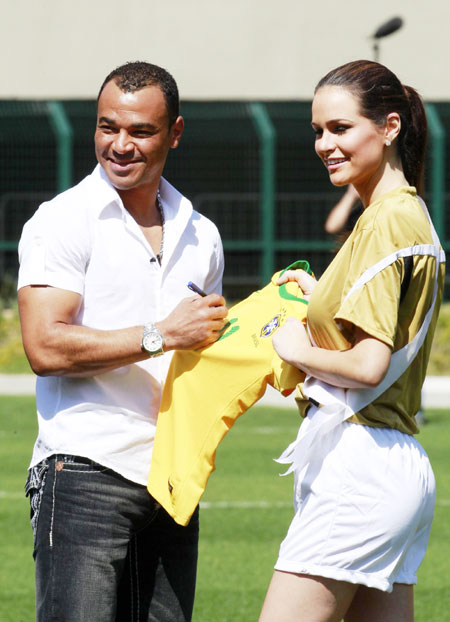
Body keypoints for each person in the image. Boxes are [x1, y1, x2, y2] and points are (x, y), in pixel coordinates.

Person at [17, 61, 228, 622]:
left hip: (174, 478)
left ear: (175, 133)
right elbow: (45, 346)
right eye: (108, 127)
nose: (120, 145)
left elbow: (202, 352)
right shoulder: (62, 220)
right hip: (85, 469)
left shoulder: (201, 233)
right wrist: (162, 334)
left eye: (140, 131)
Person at [259, 60, 445, 622]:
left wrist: (294, 346)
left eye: (340, 128)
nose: (325, 144)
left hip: (361, 465)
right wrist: (322, 300)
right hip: (393, 461)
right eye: (318, 131)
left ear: (389, 128)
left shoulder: (387, 220)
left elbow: (367, 364)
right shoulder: (399, 213)